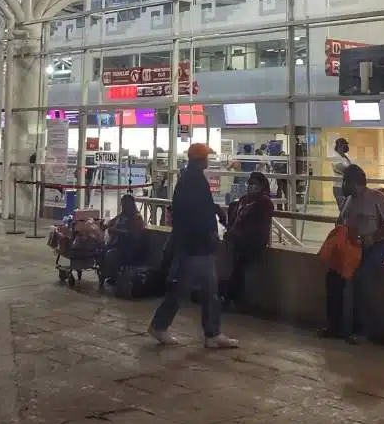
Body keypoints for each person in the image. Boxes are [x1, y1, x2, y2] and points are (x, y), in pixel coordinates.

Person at [148, 143, 238, 349]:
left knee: (204, 290)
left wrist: (216, 210)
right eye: (206, 156)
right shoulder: (193, 180)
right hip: (195, 246)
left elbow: (200, 207)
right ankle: (206, 332)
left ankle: (209, 332)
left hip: (193, 245)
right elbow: (195, 213)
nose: (208, 160)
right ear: (199, 159)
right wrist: (210, 233)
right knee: (193, 289)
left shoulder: (190, 179)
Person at [322, 164, 384, 343]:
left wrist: (373, 236)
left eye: (344, 181)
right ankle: (335, 326)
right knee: (333, 278)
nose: (342, 185)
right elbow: (341, 221)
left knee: (361, 279)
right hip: (350, 248)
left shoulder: (376, 198)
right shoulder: (349, 200)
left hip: (372, 247)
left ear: (353, 182)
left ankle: (361, 330)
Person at [220, 171, 274, 310]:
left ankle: (231, 298)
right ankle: (230, 298)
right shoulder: (244, 200)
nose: (250, 186)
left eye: (254, 184)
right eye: (249, 183)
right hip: (238, 240)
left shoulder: (264, 202)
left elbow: (258, 226)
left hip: (251, 242)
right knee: (235, 267)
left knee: (238, 267)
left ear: (262, 186)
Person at [102, 193, 148, 284]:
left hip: (131, 249)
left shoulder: (136, 218)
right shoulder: (122, 215)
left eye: (125, 205)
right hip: (120, 245)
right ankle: (108, 274)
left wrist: (116, 231)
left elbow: (132, 235)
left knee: (110, 254)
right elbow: (111, 222)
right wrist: (106, 225)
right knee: (101, 250)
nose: (123, 207)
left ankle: (116, 277)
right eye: (122, 205)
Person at [331, 138, 352, 209]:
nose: (346, 147)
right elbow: (343, 169)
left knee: (349, 209)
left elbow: (351, 167)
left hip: (347, 186)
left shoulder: (346, 156)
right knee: (343, 209)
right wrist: (353, 170)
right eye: (345, 145)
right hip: (339, 187)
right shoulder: (335, 157)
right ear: (339, 146)